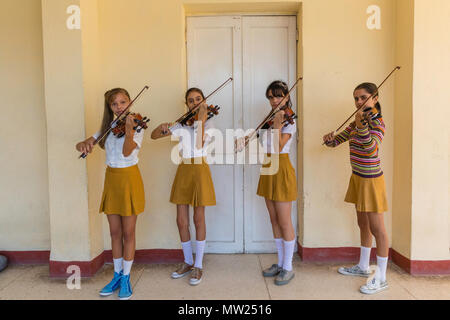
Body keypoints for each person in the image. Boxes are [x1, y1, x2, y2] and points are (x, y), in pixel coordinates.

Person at [76, 88, 145, 300]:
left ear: (130, 102)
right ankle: (116, 275)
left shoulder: (137, 125)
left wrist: (130, 130)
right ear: (110, 107)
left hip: (129, 179)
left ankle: (126, 277)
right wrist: (85, 145)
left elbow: (127, 152)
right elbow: (81, 144)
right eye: (114, 104)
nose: (119, 107)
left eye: (123, 102)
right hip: (112, 179)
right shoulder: (108, 127)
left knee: (128, 232)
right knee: (114, 232)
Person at [323, 82, 389, 295]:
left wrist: (361, 125)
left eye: (363, 97)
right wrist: (330, 140)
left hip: (371, 180)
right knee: (362, 224)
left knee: (378, 229)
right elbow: (340, 140)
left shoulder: (378, 123)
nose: (359, 102)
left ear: (375, 98)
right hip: (358, 177)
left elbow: (370, 149)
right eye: (356, 98)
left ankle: (381, 277)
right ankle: (362, 266)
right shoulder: (358, 120)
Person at [151, 88, 216, 286]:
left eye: (198, 99)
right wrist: (163, 126)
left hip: (199, 169)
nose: (194, 103)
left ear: (204, 101)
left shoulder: (210, 123)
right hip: (184, 169)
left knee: (198, 218)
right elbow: (154, 136)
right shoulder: (182, 123)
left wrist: (202, 120)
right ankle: (187, 261)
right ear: (186, 104)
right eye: (190, 100)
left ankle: (198, 264)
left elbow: (198, 145)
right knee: (181, 220)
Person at [257, 81, 298, 286]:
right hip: (268, 167)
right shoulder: (270, 118)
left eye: (278, 96)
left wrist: (277, 124)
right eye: (271, 97)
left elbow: (278, 145)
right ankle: (281, 262)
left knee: (284, 221)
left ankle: (288, 267)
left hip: (281, 167)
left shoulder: (289, 120)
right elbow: (263, 143)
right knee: (273, 219)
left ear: (287, 97)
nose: (274, 100)